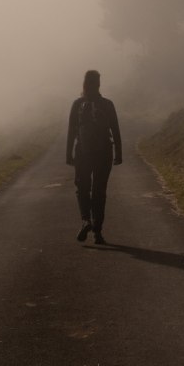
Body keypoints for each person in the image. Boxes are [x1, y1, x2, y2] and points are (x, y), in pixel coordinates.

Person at [66, 68, 122, 245]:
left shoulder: (77, 104)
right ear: (98, 84)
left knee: (82, 188)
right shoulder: (107, 104)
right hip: (105, 152)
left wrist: (68, 154)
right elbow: (115, 130)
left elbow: (71, 131)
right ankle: (98, 231)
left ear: (84, 84)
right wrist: (119, 153)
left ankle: (86, 220)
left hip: (83, 153)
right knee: (99, 191)